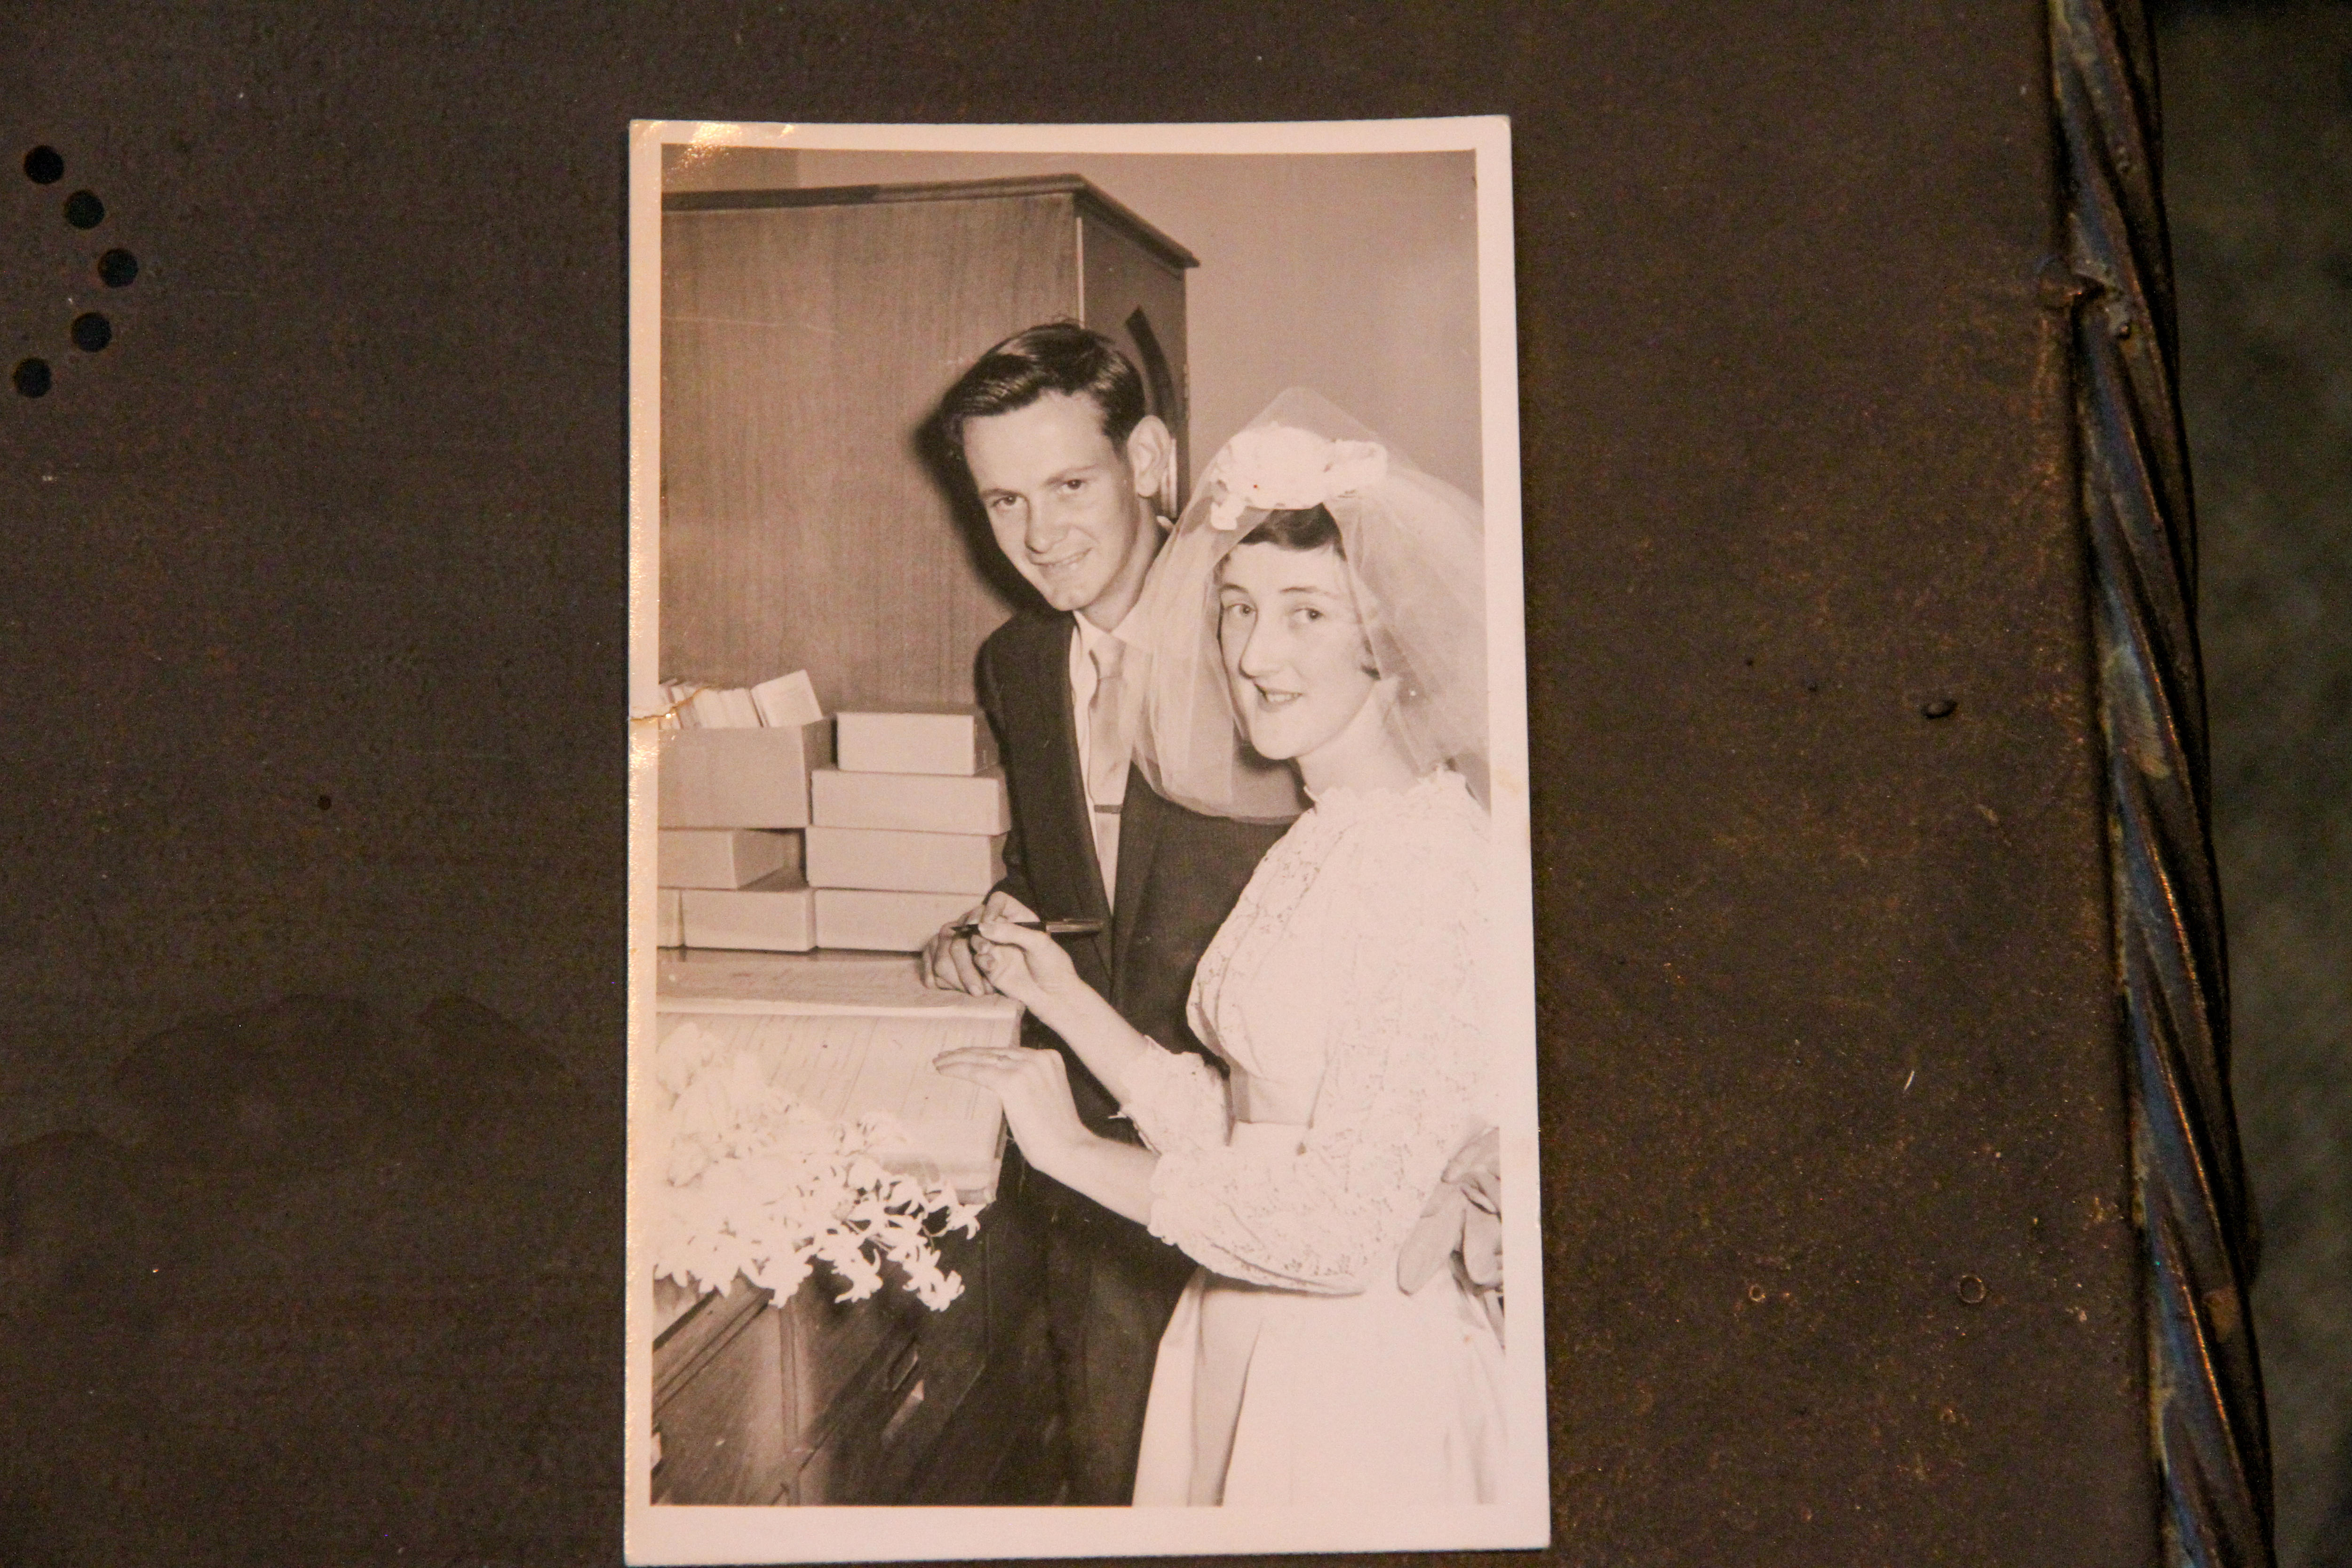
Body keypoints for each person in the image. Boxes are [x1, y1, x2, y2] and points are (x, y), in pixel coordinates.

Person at [937, 390, 1508, 1507]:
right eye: (1237, 608)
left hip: (1351, 1384)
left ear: (1389, 643)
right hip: (1248, 1325)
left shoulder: (1430, 859)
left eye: (1307, 614)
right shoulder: (1330, 830)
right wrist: (1068, 1007)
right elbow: (1261, 1133)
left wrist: (1071, 1152)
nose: (1254, 654)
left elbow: (1345, 1228)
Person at [921, 325, 1295, 1505]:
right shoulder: (1015, 663)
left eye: (1070, 484)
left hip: (1259, 1152)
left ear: (1145, 457)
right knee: (1113, 1471)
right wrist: (990, 923)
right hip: (1084, 1163)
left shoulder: (1269, 633)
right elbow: (1064, 871)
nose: (1040, 535)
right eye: (1004, 501)